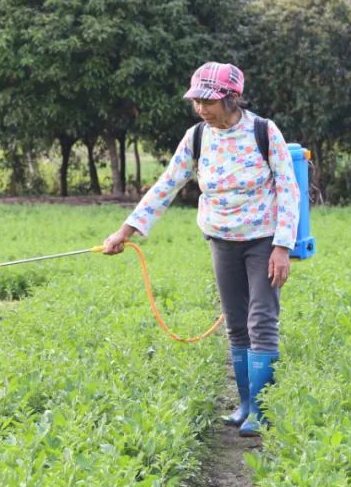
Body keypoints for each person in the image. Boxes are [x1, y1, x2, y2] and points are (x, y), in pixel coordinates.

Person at [102, 62, 300, 436]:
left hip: (263, 239)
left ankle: (261, 410)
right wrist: (125, 231)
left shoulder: (263, 131)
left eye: (208, 101)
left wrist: (282, 247)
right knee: (236, 323)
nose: (201, 108)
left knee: (262, 321)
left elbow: (289, 189)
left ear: (232, 98)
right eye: (196, 101)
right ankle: (244, 405)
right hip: (221, 239)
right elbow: (166, 185)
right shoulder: (197, 136)